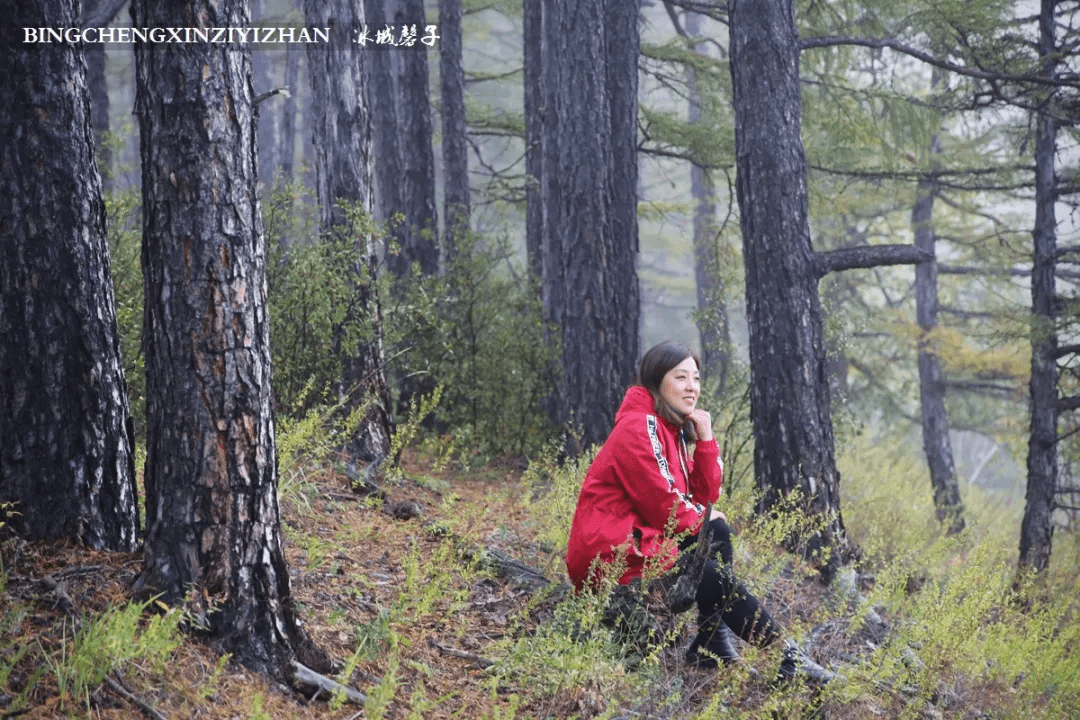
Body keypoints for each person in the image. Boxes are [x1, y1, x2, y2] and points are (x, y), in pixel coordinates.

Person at [565, 340, 834, 683]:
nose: (691, 387)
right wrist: (702, 519)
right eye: (680, 377)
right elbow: (665, 507)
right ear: (656, 381)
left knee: (717, 534)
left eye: (695, 378)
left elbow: (705, 496)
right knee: (713, 572)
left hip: (636, 545)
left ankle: (712, 641)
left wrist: (705, 439)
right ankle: (788, 659)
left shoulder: (670, 428)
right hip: (610, 557)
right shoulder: (639, 426)